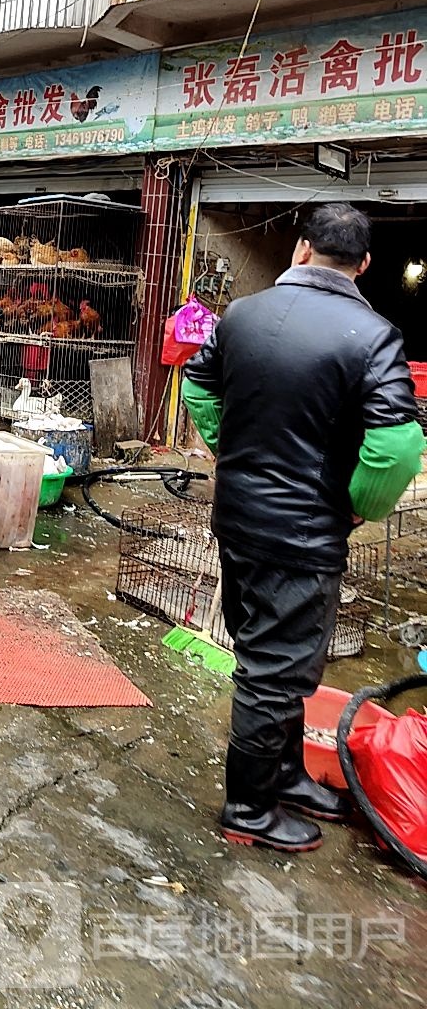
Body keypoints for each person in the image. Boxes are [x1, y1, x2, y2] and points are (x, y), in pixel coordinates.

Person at [183, 203, 424, 853]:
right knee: (276, 670)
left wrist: (227, 451)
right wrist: (359, 507)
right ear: (364, 265)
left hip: (236, 521)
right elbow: (399, 448)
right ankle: (248, 809)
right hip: (303, 536)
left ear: (300, 250)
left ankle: (285, 775)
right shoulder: (373, 335)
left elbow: (197, 388)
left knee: (269, 657)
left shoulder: (242, 315)